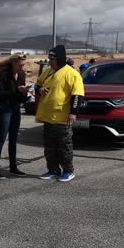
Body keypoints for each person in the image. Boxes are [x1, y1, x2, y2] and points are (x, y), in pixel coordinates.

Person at [37, 45, 85, 182]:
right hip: (48, 117)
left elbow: (77, 95)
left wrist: (73, 113)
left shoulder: (72, 74)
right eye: (49, 59)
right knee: (49, 147)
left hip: (63, 118)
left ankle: (68, 171)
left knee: (64, 147)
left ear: (60, 59)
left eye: (53, 59)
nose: (50, 61)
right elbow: (38, 84)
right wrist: (41, 89)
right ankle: (53, 170)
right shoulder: (47, 71)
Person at [0, 54, 29, 180]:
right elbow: (0, 93)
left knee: (13, 138)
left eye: (24, 65)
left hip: (15, 108)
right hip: (4, 109)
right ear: (13, 63)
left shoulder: (22, 75)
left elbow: (19, 95)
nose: (23, 67)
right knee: (1, 138)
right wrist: (17, 90)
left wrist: (24, 93)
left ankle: (13, 167)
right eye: (21, 65)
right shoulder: (3, 75)